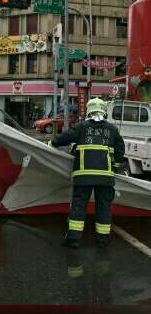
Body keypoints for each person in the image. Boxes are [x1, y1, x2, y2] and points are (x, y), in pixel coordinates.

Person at [52, 97, 125, 248]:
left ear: (89, 110)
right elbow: (120, 151)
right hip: (105, 178)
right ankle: (103, 241)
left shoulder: (81, 127)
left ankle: (73, 240)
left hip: (83, 177)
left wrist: (51, 143)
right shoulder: (112, 129)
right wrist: (115, 166)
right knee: (103, 207)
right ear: (104, 111)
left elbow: (64, 138)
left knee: (79, 206)